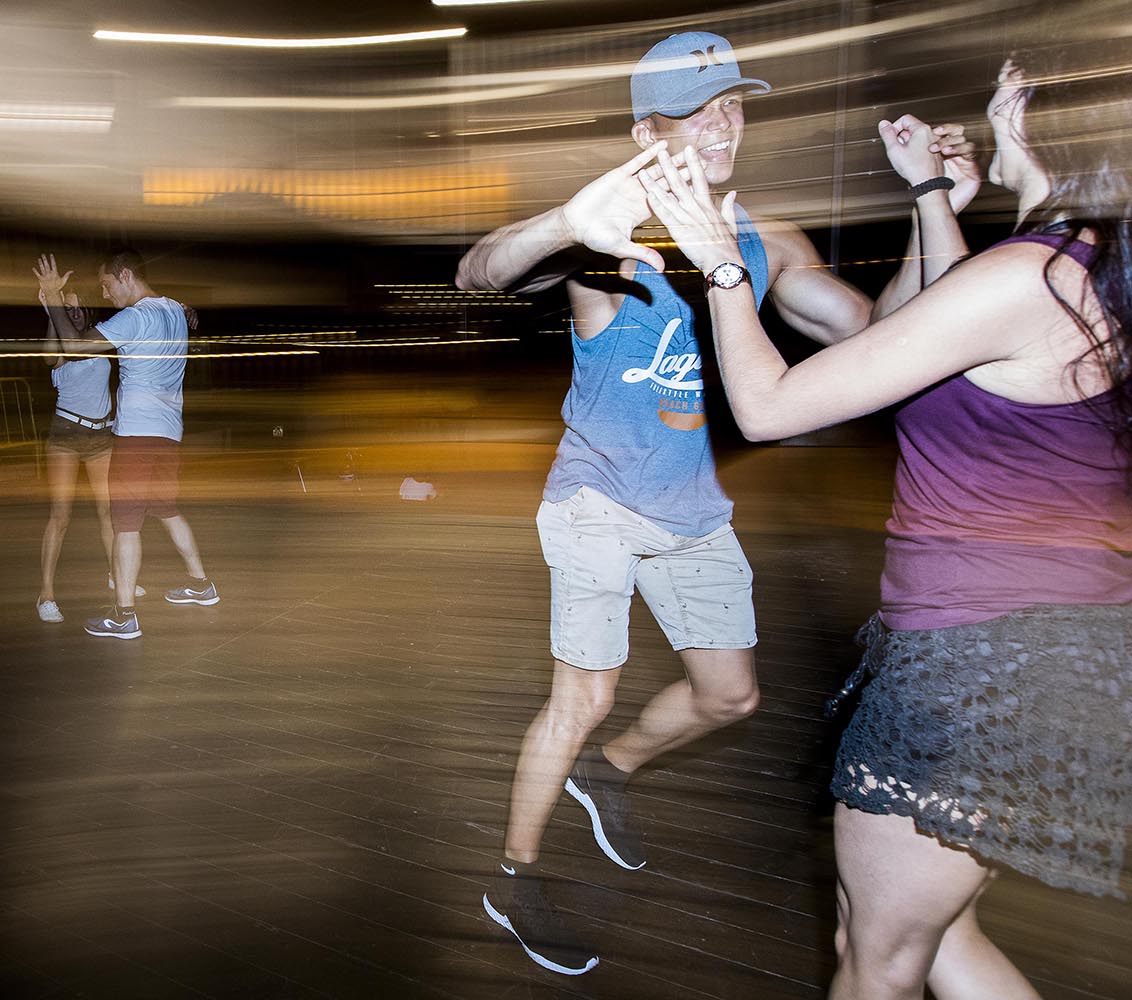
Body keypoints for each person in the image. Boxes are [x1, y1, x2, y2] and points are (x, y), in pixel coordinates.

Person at [455, 31, 978, 975]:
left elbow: (885, 334)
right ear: (645, 127)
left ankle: (605, 776)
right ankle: (514, 878)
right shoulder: (607, 237)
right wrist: (560, 222)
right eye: (700, 106)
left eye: (735, 101)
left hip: (690, 506)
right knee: (586, 693)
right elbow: (483, 270)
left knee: (729, 697)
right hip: (596, 498)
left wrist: (929, 202)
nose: (725, 121)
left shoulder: (766, 242)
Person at [642, 33, 1132, 1000]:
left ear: (1037, 121)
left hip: (980, 672)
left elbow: (772, 408)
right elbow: (924, 330)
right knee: (926, 939)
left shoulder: (1026, 278)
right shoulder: (1081, 268)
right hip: (1052, 654)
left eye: (1009, 93)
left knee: (876, 959)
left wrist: (722, 271)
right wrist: (930, 196)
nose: (991, 105)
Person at [33, 250, 218, 641]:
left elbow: (79, 348)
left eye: (107, 284)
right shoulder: (171, 309)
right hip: (169, 433)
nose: (105, 292)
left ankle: (124, 614)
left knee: (125, 524)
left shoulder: (135, 316)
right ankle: (201, 585)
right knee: (167, 510)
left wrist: (51, 300)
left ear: (125, 275)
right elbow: (187, 314)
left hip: (136, 435)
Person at [34, 284, 116, 624]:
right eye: (68, 309)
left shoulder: (97, 337)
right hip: (67, 434)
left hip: (101, 435)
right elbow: (50, 358)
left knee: (108, 512)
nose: (75, 312)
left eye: (79, 307)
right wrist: (53, 316)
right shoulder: (63, 346)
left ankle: (118, 576)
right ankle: (46, 595)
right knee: (61, 516)